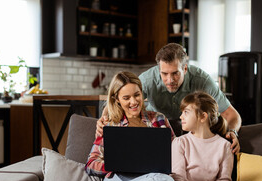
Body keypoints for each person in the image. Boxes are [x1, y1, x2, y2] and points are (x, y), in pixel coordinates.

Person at [59, 71, 177, 181]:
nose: (133, 102)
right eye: (126, 98)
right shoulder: (110, 124)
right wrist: (116, 163)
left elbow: (176, 153)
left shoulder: (159, 119)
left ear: (142, 93)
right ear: (117, 100)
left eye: (137, 95)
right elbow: (91, 163)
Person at [97, 43, 241, 153]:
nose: (169, 80)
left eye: (175, 73)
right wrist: (103, 121)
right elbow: (120, 100)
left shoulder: (202, 80)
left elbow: (231, 115)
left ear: (185, 69)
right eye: (164, 74)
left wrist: (232, 132)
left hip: (190, 130)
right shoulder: (148, 79)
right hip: (157, 129)